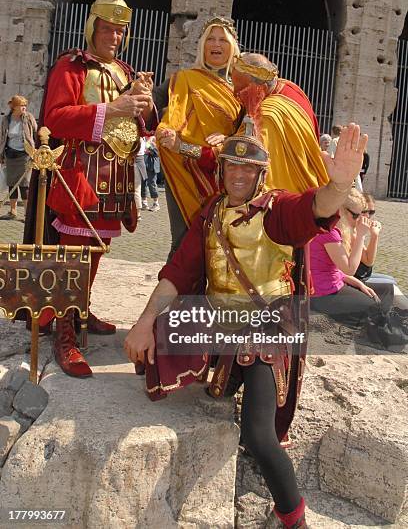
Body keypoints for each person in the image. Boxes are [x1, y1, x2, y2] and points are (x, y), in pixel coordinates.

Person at [124, 123, 368, 529]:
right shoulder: (211, 212)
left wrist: (339, 187)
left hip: (265, 326)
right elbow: (179, 272)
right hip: (220, 320)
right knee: (156, 335)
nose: (238, 174)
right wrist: (145, 321)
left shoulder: (275, 210)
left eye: (247, 168)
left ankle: (293, 516)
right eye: (231, 166)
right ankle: (223, 368)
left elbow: (314, 208)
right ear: (221, 171)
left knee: (258, 435)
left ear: (260, 174)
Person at [24, 0, 155, 378]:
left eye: (119, 31)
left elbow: (142, 125)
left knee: (96, 254)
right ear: (92, 28)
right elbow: (55, 118)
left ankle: (79, 308)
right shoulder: (71, 66)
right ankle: (65, 332)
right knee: (73, 255)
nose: (113, 37)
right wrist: (113, 108)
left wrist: (145, 107)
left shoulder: (126, 72)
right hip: (78, 173)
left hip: (115, 174)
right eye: (106, 29)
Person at [155, 16, 242, 256]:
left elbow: (250, 129)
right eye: (210, 39)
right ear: (202, 46)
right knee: (183, 239)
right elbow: (151, 110)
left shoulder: (241, 85)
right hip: (181, 170)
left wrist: (227, 139)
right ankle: (177, 292)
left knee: (218, 243)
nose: (216, 44)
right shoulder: (182, 79)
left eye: (222, 40)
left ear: (232, 46)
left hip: (221, 172)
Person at [309, 188, 408, 344]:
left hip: (334, 284)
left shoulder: (339, 229)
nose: (359, 219)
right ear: (340, 208)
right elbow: (349, 268)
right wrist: (361, 235)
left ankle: (379, 328)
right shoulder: (329, 232)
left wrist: (358, 283)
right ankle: (378, 334)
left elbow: (344, 270)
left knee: (386, 290)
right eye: (355, 215)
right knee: (374, 306)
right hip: (323, 293)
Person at [231, 53, 329, 194]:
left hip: (285, 200)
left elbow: (241, 154)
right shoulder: (290, 87)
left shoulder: (266, 117)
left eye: (241, 90)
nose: (234, 94)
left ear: (263, 88)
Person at [0, 95, 37, 220]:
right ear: (14, 107)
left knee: (24, 184)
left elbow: (36, 133)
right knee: (12, 183)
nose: (24, 108)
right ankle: (13, 211)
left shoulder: (28, 118)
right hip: (10, 155)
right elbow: (2, 137)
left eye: (25, 105)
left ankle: (27, 214)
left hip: (25, 155)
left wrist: (35, 151)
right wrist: (1, 154)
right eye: (22, 106)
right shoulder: (6, 119)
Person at [141, 136, 160, 211]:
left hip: (152, 166)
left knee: (152, 184)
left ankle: (156, 203)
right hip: (143, 165)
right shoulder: (142, 138)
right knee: (143, 183)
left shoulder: (154, 138)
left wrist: (147, 144)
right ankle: (144, 203)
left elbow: (156, 152)